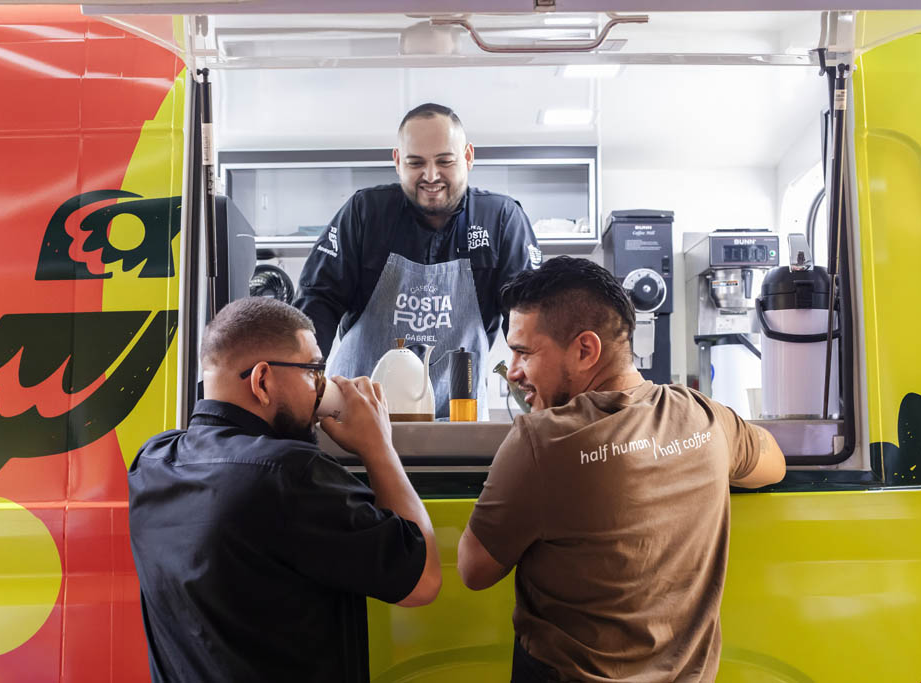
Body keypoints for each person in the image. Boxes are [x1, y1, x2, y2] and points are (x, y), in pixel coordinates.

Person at [457, 256, 786, 682]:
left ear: (585, 350)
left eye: (523, 352)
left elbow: (474, 570)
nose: (514, 371)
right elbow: (773, 464)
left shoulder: (541, 441)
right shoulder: (703, 416)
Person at [127, 297, 441, 683]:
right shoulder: (290, 476)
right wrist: (379, 446)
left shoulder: (151, 462)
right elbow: (422, 581)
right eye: (315, 371)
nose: (322, 387)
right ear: (262, 380)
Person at [294, 102, 542, 419]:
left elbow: (531, 322)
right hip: (358, 415)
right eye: (416, 163)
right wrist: (301, 385)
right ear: (398, 162)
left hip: (459, 420)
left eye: (445, 161)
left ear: (468, 157)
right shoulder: (365, 213)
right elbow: (317, 305)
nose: (431, 175)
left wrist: (545, 401)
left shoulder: (501, 220)